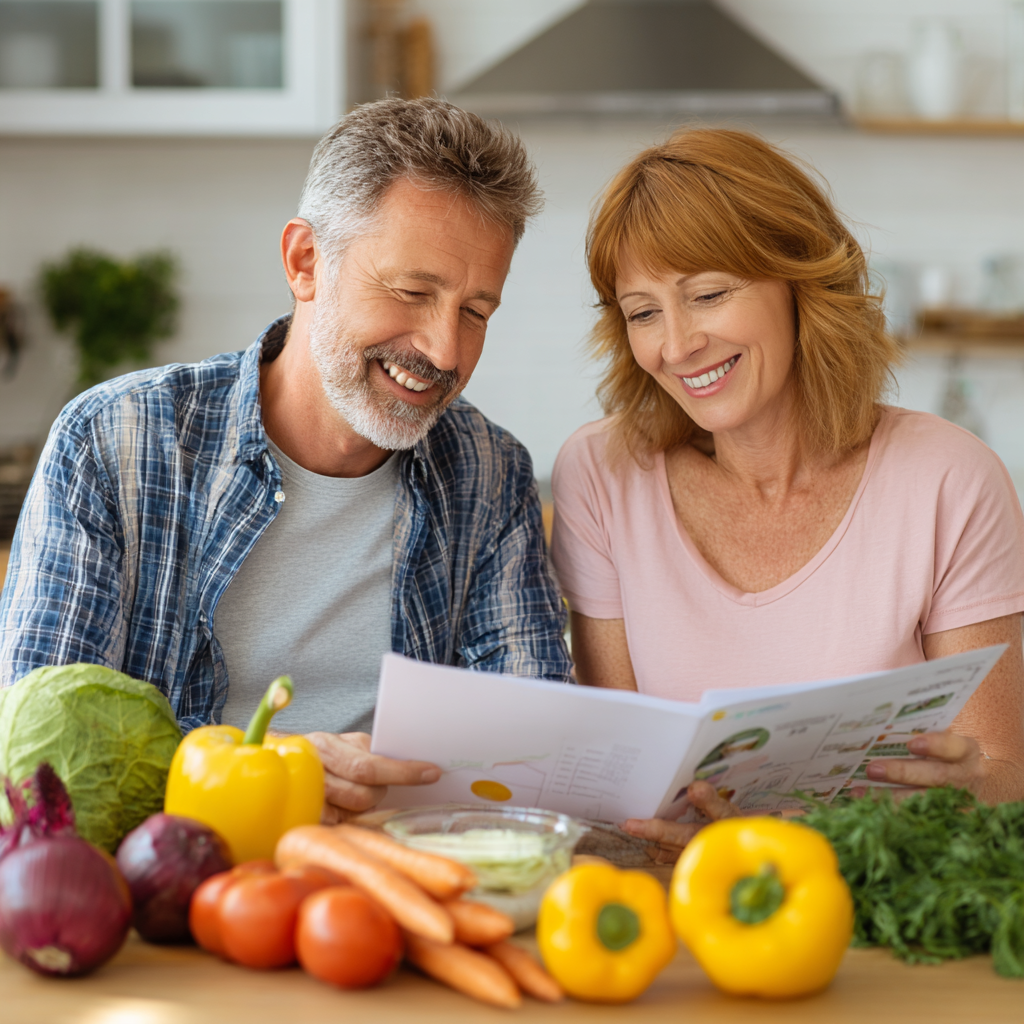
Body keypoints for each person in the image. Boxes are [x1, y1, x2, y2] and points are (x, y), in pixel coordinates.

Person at [0, 98, 571, 821]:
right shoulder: (111, 444)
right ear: (306, 262)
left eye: (476, 311)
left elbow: (531, 756)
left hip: (398, 883)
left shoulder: (490, 473)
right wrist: (278, 775)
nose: (445, 351)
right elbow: (39, 775)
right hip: (179, 893)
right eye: (412, 291)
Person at [550, 128, 1024, 858]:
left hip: (877, 903)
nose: (676, 346)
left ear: (800, 281)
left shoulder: (950, 479)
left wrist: (972, 789)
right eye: (643, 312)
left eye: (707, 294)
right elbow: (621, 781)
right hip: (674, 902)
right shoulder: (602, 475)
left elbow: (1004, 778)